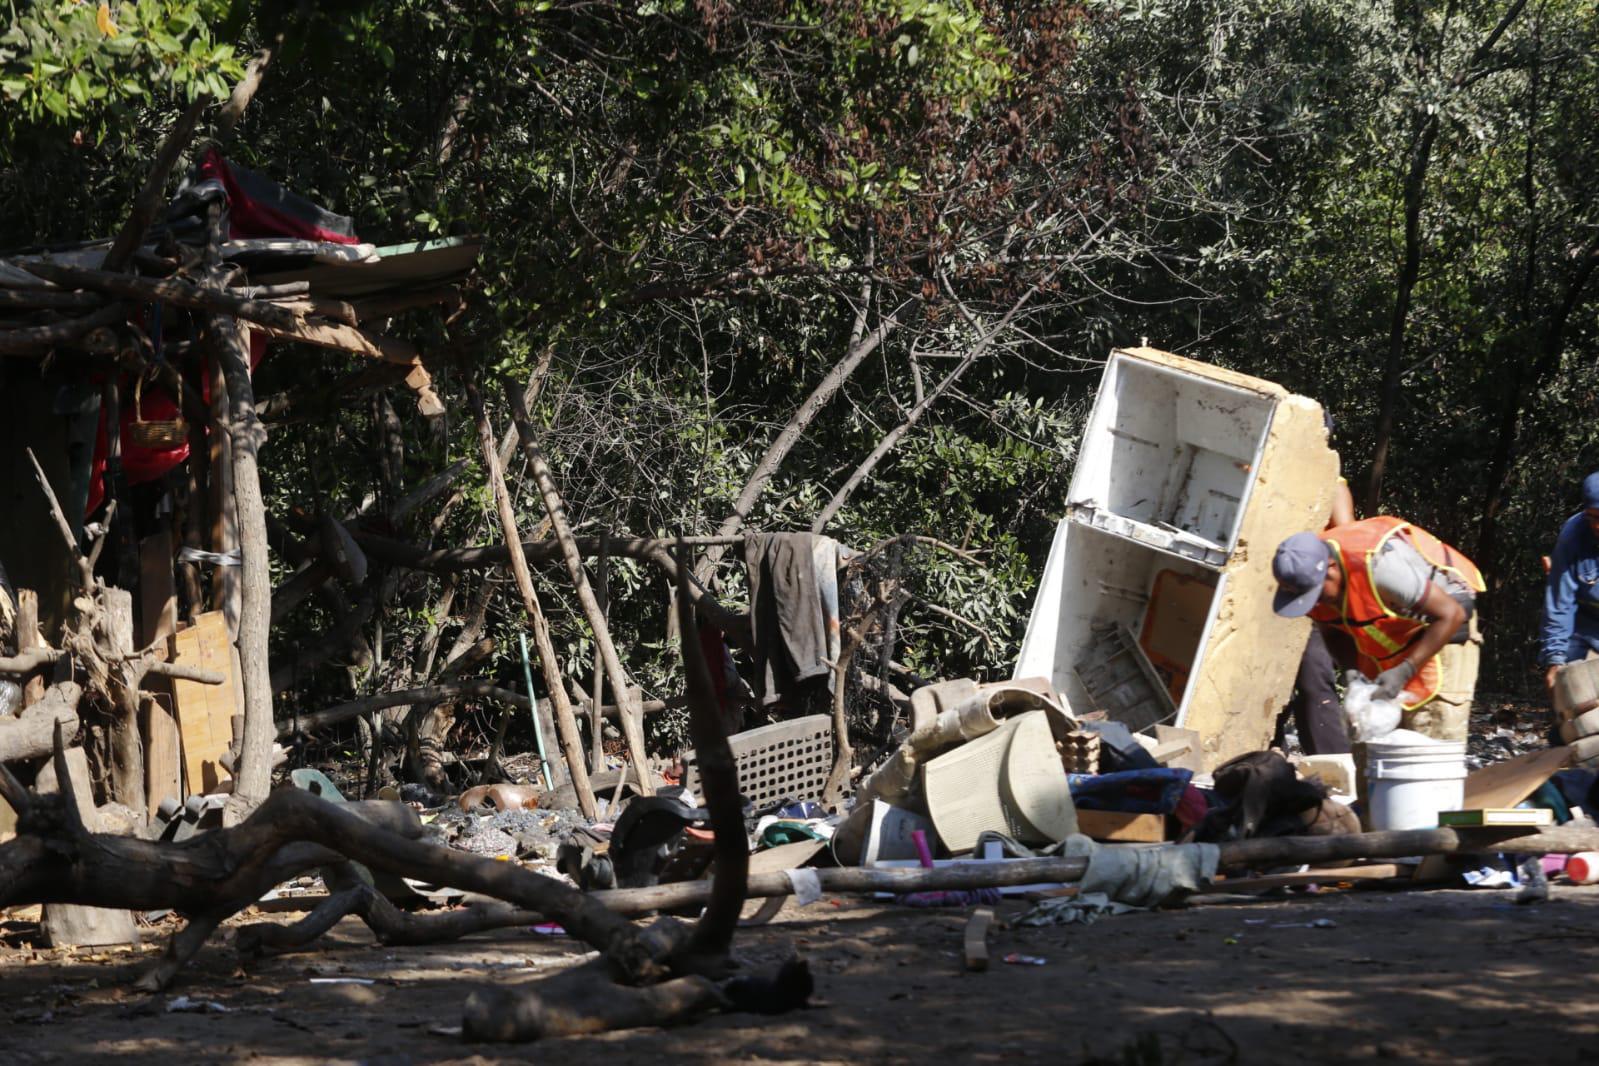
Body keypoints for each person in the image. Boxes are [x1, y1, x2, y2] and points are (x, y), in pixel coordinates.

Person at [1271, 516, 1485, 742]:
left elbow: (1452, 614)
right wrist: (1353, 673)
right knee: (1374, 739)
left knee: (1430, 739)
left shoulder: (1378, 567)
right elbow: (1331, 630)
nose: (1314, 604)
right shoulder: (1311, 585)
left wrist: (1405, 671)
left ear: (1332, 569)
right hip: (1389, 638)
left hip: (1441, 631)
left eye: (1316, 596)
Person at [1539, 472, 1599, 696]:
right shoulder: (1573, 535)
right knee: (1571, 700)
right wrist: (1555, 660)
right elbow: (1560, 602)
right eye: (1593, 517)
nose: (1598, 526)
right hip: (1585, 629)